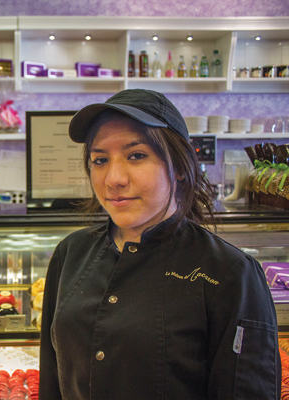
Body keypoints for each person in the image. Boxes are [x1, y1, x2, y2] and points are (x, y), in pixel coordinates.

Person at [39, 89, 280, 399]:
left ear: (179, 166)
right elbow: (52, 381)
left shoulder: (231, 273)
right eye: (99, 160)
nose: (113, 178)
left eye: (136, 156)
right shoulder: (70, 253)